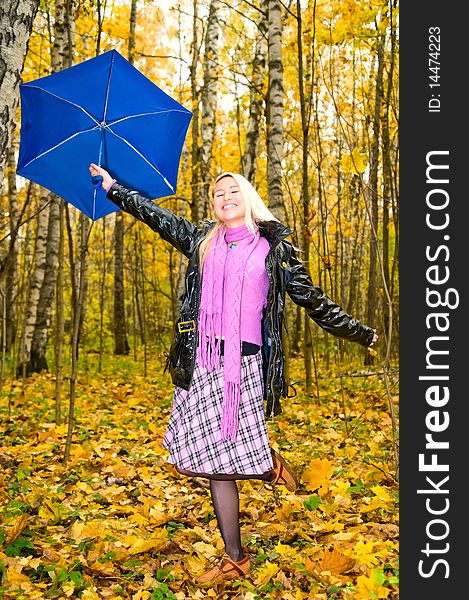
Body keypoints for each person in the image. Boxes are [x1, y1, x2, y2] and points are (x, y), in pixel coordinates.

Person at [89, 163, 378, 584]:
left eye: (232, 192)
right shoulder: (202, 241)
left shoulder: (273, 250)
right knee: (212, 461)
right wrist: (115, 187)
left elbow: (312, 299)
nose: (225, 198)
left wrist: (359, 332)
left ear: (248, 199)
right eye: (217, 195)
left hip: (243, 365)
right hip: (204, 361)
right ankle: (251, 508)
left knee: (223, 460)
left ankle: (248, 507)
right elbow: (156, 216)